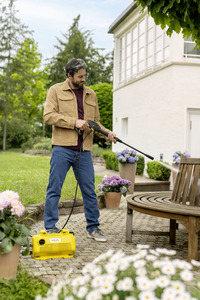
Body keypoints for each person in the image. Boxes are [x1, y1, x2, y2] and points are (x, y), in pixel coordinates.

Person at [43, 58, 116, 242]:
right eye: (80, 76)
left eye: (85, 75)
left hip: (84, 150)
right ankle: (51, 227)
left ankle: (93, 227)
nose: (83, 79)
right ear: (69, 75)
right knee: (54, 189)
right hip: (62, 149)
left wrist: (106, 133)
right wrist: (73, 122)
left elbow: (95, 122)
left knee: (89, 191)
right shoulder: (55, 90)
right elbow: (48, 116)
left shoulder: (91, 94)